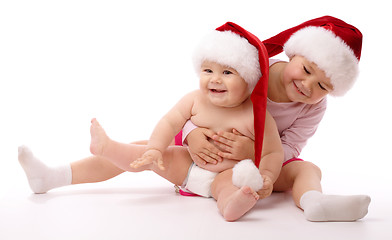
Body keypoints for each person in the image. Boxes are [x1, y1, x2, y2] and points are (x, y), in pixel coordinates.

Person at [19, 22, 284, 221]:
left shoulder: (257, 115)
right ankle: (104, 150)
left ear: (249, 80)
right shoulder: (194, 100)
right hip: (188, 165)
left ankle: (232, 205)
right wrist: (156, 148)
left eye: (227, 72)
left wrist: (267, 176)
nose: (215, 78)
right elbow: (169, 123)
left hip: (224, 174)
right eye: (208, 70)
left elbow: (273, 151)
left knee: (227, 186)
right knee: (146, 155)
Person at [184, 16, 371, 222]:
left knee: (307, 169)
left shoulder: (315, 107)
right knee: (221, 176)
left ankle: (313, 201)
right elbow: (204, 103)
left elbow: (292, 145)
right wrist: (191, 133)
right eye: (307, 70)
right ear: (293, 55)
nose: (307, 85)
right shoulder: (253, 73)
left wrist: (256, 154)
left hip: (266, 164)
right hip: (217, 151)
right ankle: (230, 199)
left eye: (322, 86)